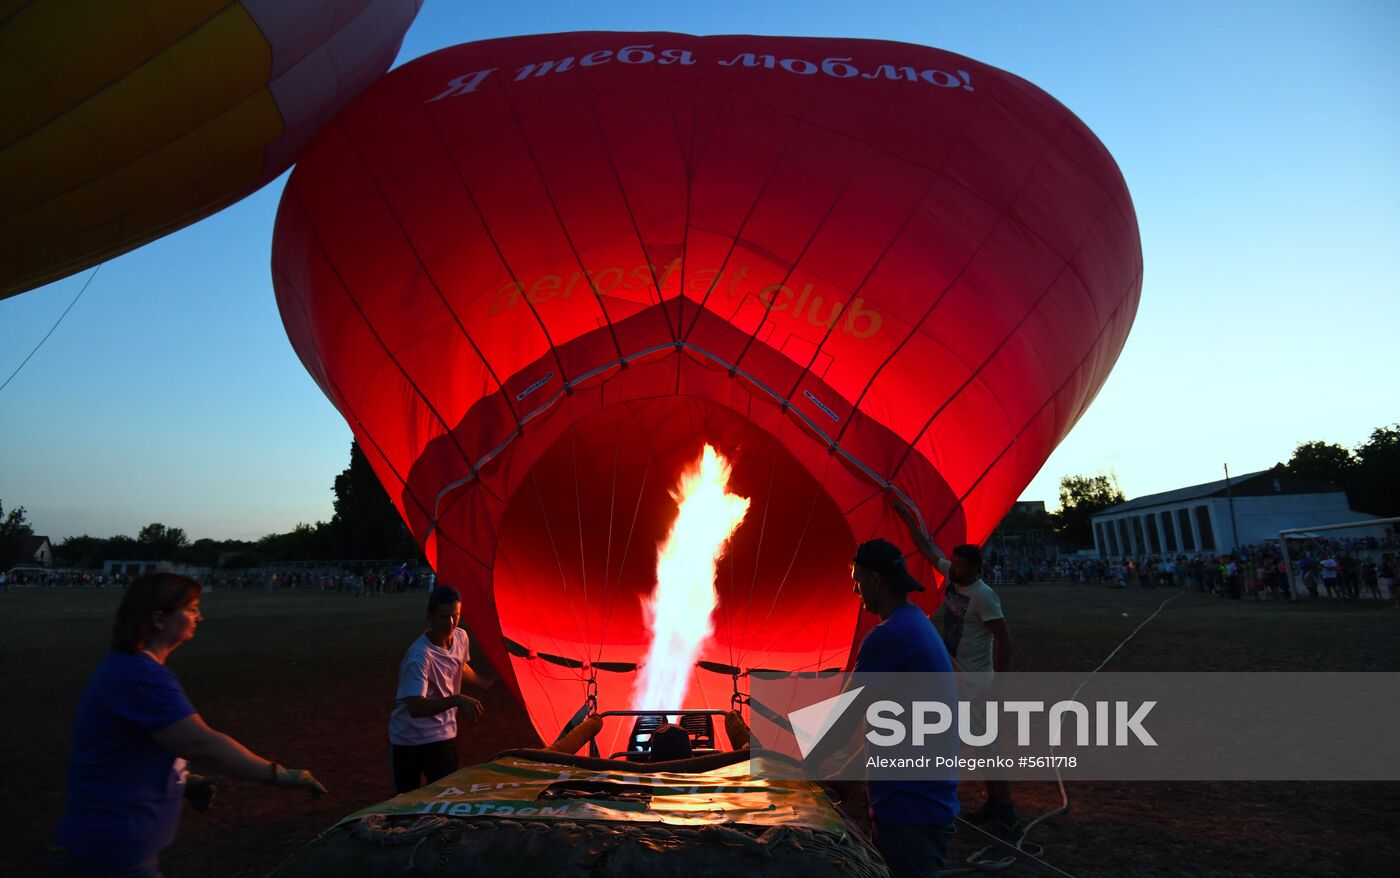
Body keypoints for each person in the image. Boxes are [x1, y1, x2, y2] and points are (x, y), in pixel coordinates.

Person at [52, 573, 326, 877]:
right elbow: (201, 744)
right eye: (192, 609)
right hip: (116, 848)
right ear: (159, 618)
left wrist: (184, 780)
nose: (200, 617)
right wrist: (280, 775)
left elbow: (138, 743)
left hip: (110, 842)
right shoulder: (143, 677)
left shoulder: (128, 667)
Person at [892, 498, 1020, 842]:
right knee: (977, 746)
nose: (954, 569)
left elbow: (1006, 640)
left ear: (975, 569)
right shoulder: (955, 578)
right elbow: (927, 546)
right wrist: (906, 513)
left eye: (961, 566)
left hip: (976, 684)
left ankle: (1007, 816)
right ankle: (995, 804)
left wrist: (999, 685)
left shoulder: (983, 596)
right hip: (954, 680)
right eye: (955, 564)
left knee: (986, 748)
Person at [848, 537, 959, 878]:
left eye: (857, 580)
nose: (855, 590)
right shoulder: (919, 623)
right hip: (928, 802)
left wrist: (790, 762)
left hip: (908, 809)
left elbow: (845, 719)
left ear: (876, 580)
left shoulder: (887, 636)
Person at [388, 585, 486, 794]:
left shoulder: (461, 637)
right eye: (443, 617)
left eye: (455, 616)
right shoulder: (420, 657)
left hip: (443, 735)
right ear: (430, 616)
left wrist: (482, 682)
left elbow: (459, 664)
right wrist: (456, 699)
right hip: (409, 740)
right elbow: (416, 707)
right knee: (406, 804)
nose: (451, 623)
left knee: (446, 799)